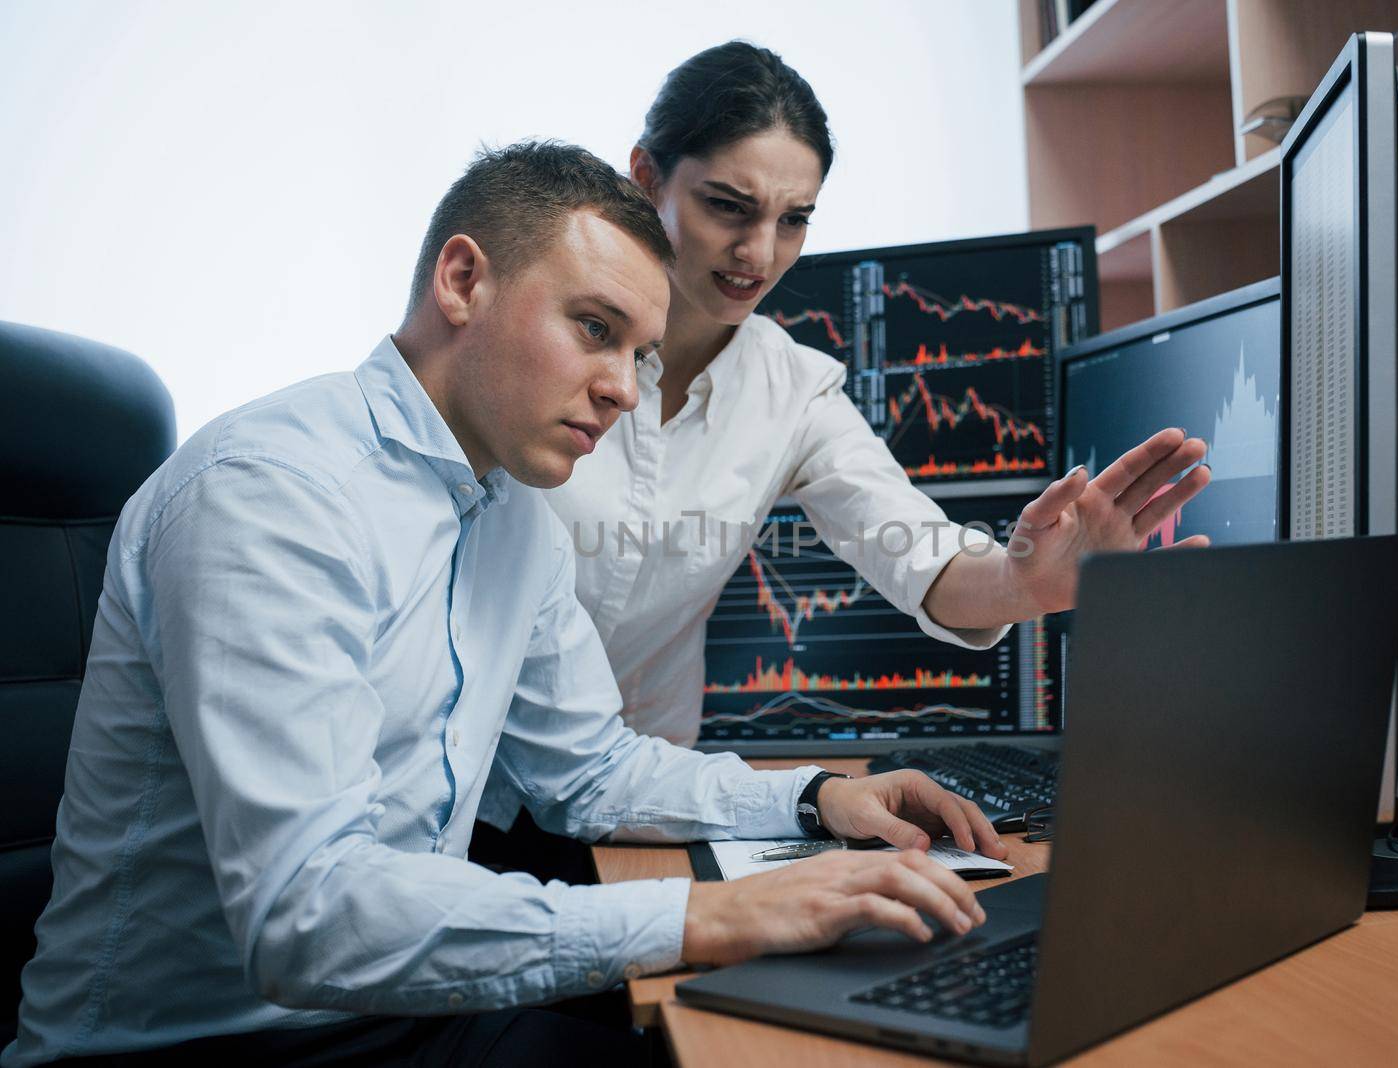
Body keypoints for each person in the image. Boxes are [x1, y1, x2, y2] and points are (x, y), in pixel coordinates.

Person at [3, 141, 1004, 1068]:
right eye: (594, 330)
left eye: (637, 356)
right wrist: (718, 915)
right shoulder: (269, 495)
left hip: (392, 1005)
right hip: (188, 1047)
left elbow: (590, 775)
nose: (620, 390)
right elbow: (306, 918)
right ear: (463, 280)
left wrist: (816, 799)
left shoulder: (510, 511)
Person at [524, 42, 1213, 750]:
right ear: (646, 178)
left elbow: (914, 548)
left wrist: (1025, 584)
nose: (759, 255)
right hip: (460, 780)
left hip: (633, 786)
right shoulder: (536, 330)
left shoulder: (793, 390)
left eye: (793, 220)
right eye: (728, 207)